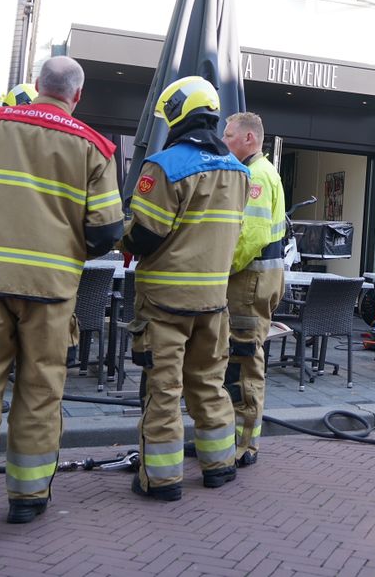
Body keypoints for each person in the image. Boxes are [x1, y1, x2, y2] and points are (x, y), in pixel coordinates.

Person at [0, 56, 123, 539]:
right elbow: (106, 232)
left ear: (36, 86)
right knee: (40, 390)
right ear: (77, 96)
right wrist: (65, 251)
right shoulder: (95, 148)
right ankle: (29, 498)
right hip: (51, 291)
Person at [123, 77, 249, 501]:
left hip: (165, 302)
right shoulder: (239, 171)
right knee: (210, 385)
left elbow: (145, 235)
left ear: (176, 114)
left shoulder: (163, 166)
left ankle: (161, 480)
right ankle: (220, 466)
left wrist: (121, 235)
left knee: (164, 392)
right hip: (213, 302)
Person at [221, 112, 287, 467]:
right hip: (254, 280)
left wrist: (221, 269)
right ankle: (226, 440)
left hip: (248, 282)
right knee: (234, 361)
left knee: (243, 362)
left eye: (229, 135)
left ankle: (243, 445)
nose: (224, 140)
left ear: (249, 138)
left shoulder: (256, 175)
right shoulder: (259, 171)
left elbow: (251, 236)